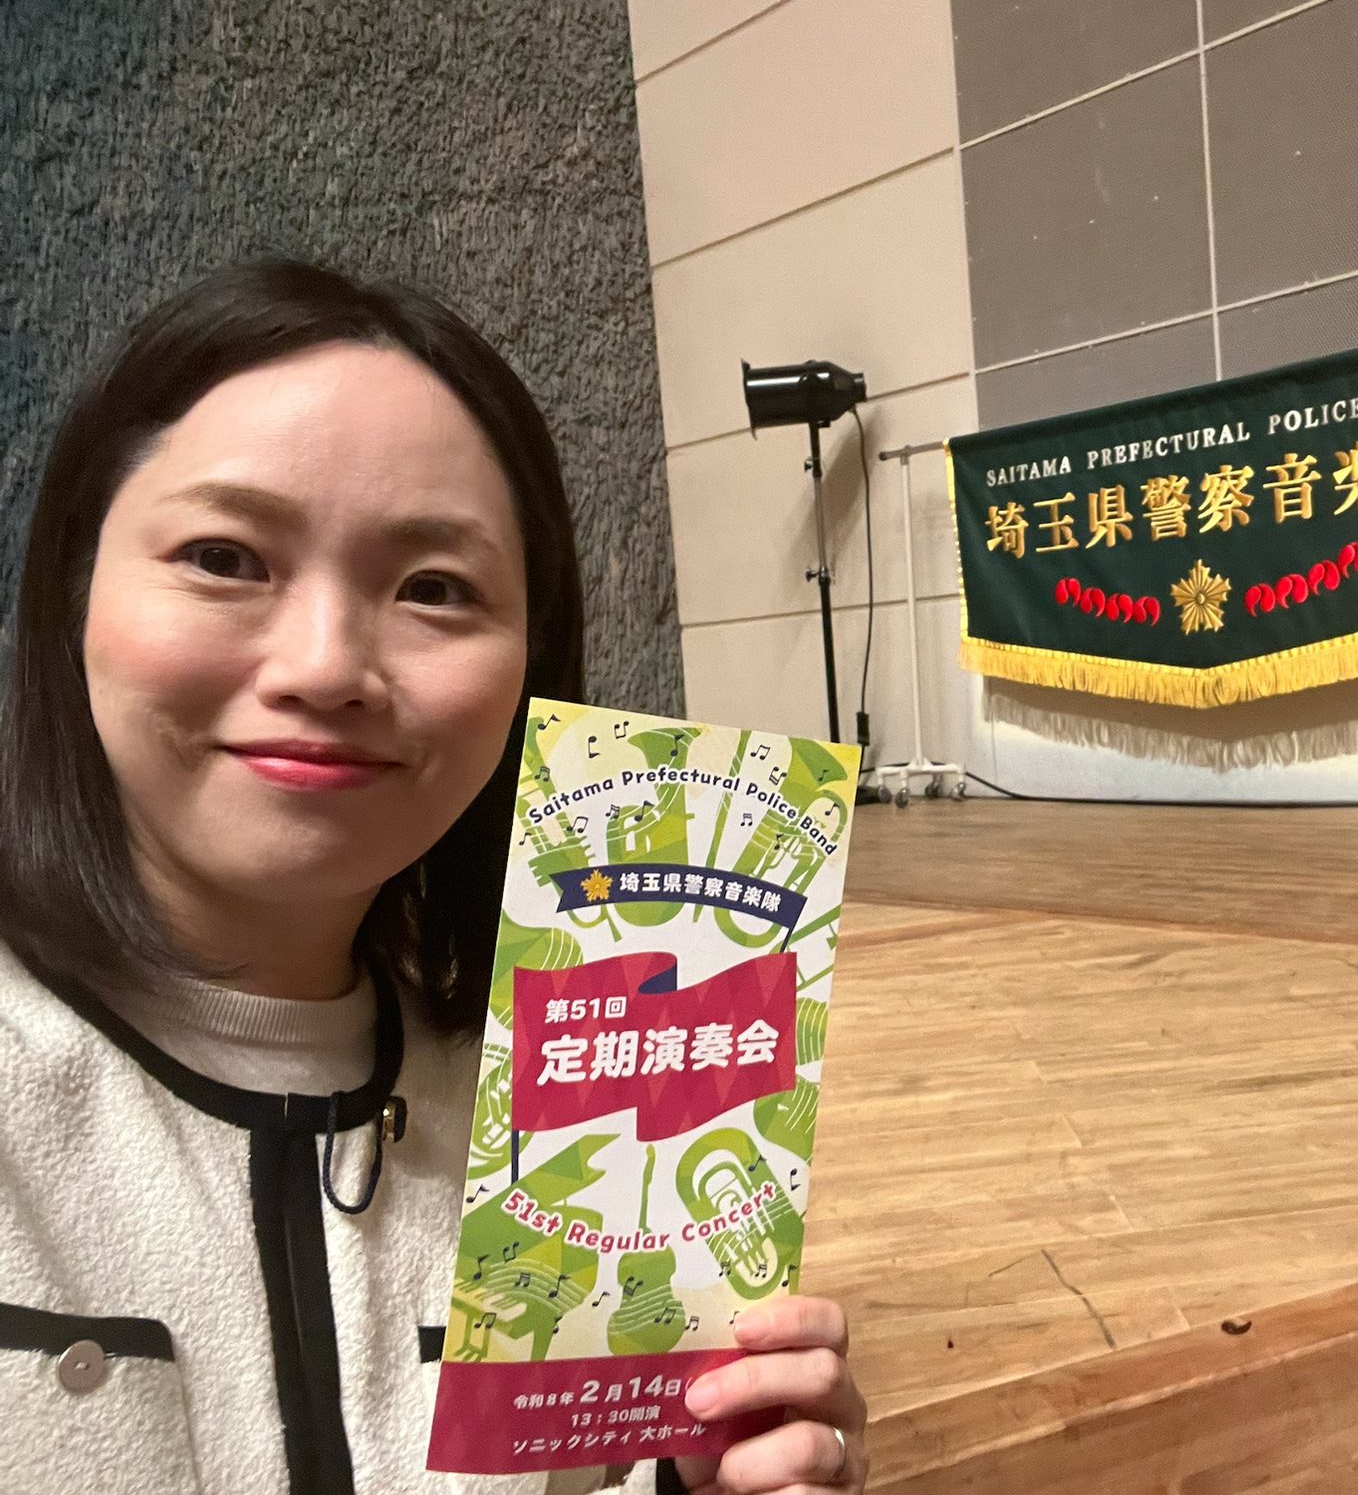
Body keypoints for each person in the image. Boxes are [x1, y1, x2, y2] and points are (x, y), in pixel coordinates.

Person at [0, 260, 868, 1495]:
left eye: (434, 589)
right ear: (74, 588)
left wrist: (694, 1481)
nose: (324, 668)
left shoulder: (588, 1115)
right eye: (224, 556)